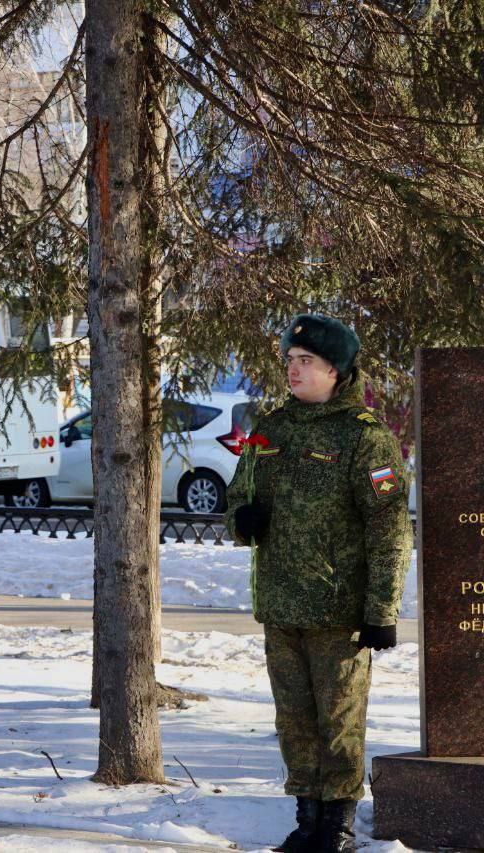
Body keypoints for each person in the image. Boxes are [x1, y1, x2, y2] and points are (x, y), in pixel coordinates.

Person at [225, 314, 412, 853]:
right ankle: (306, 821)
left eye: (305, 362)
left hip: (339, 612)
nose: (293, 370)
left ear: (335, 370)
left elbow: (390, 529)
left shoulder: (365, 437)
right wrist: (242, 521)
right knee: (294, 723)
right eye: (289, 360)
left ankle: (339, 827)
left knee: (339, 723)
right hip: (281, 606)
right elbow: (239, 495)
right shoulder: (272, 427)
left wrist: (382, 610)